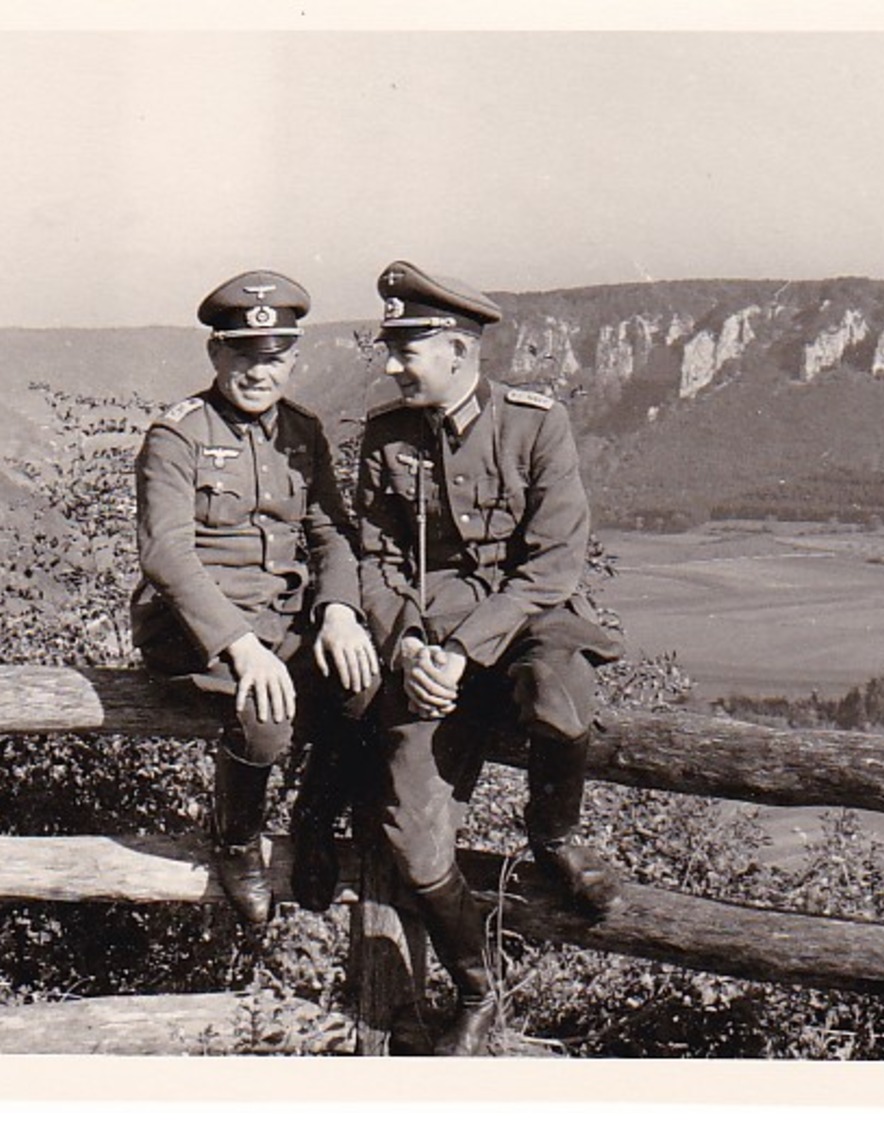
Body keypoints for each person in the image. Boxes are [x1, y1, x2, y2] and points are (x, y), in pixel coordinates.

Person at [354, 260, 626, 1055]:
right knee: (409, 835)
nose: (392, 364)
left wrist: (461, 653)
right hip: (423, 641)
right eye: (391, 347)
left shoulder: (536, 423)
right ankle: (477, 988)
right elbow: (376, 560)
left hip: (522, 624)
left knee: (556, 684)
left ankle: (555, 835)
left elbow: (551, 566)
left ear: (459, 351)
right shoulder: (386, 436)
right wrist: (405, 644)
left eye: (407, 349)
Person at [130, 269, 378, 927]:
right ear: (216, 354)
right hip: (199, 628)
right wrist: (242, 647)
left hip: (282, 617)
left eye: (273, 358)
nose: (258, 372)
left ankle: (315, 821)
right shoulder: (178, 434)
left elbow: (330, 533)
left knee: (363, 685)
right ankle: (236, 842)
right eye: (242, 353)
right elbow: (166, 555)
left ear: (294, 359)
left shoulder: (303, 431)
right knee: (266, 717)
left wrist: (339, 612)